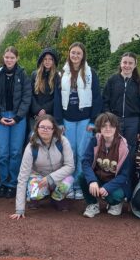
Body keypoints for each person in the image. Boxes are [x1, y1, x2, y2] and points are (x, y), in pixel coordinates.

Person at [55, 42, 102, 200]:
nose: (75, 56)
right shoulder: (62, 74)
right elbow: (57, 98)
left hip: (84, 120)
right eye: (73, 53)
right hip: (67, 120)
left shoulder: (90, 73)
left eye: (78, 53)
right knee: (70, 153)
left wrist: (93, 121)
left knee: (83, 153)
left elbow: (96, 97)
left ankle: (80, 186)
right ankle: (69, 185)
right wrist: (59, 121)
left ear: (83, 56)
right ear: (69, 54)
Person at [9, 115, 74, 219]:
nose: (45, 130)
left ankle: (57, 198)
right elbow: (22, 177)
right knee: (35, 193)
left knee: (69, 181)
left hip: (57, 176)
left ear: (54, 129)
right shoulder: (31, 146)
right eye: (42, 127)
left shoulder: (62, 141)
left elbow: (70, 166)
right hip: (38, 177)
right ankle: (35, 199)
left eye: (49, 127)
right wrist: (19, 209)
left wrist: (51, 178)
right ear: (37, 128)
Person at [0, 46, 32, 198]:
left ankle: (13, 183)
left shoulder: (23, 75)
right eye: (7, 57)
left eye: (12, 58)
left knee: (15, 152)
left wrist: (18, 117)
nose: (9, 60)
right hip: (1, 117)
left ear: (17, 59)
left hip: (17, 118)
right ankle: (3, 183)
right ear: (3, 58)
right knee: (2, 153)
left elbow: (27, 98)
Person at [79, 112, 131, 218]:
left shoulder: (124, 147)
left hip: (114, 182)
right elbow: (85, 162)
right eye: (104, 126)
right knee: (83, 177)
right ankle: (93, 204)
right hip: (98, 179)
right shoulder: (95, 141)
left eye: (111, 126)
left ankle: (115, 203)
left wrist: (108, 187)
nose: (108, 129)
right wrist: (92, 181)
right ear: (99, 128)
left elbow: (124, 175)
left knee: (115, 195)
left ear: (116, 127)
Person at [102, 52, 140, 152]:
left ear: (135, 65)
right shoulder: (112, 80)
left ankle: (128, 168)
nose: (127, 65)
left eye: (130, 63)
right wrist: (109, 118)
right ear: (120, 63)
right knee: (114, 147)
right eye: (125, 62)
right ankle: (115, 168)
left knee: (130, 149)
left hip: (133, 122)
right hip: (115, 120)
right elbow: (105, 101)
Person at [29, 48, 61, 134]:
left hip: (50, 115)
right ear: (42, 60)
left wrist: (45, 110)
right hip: (35, 115)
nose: (47, 61)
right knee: (34, 137)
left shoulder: (57, 77)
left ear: (54, 61)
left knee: (47, 137)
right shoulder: (34, 74)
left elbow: (57, 97)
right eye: (45, 59)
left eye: (50, 59)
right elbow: (30, 95)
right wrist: (38, 110)